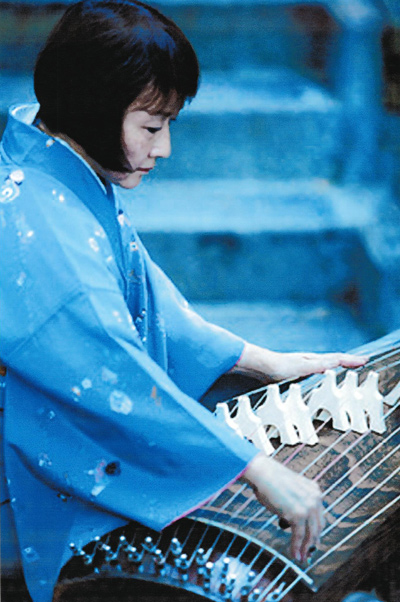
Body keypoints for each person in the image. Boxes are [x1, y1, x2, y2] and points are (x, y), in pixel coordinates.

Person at [0, 2, 367, 601]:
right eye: (151, 126)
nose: (165, 147)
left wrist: (264, 361)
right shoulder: (37, 221)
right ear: (93, 109)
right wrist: (252, 467)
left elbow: (149, 303)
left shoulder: (59, 168)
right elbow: (109, 372)